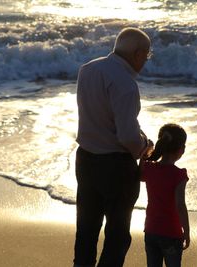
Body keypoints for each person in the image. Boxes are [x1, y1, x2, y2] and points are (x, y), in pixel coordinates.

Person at [74, 27, 153, 267]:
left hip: (86, 158)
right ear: (138, 53)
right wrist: (144, 146)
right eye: (147, 56)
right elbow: (127, 136)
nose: (146, 61)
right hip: (115, 166)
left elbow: (97, 115)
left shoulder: (88, 69)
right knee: (117, 235)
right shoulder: (126, 85)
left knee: (86, 229)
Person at [140, 123, 190, 267]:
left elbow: (139, 173)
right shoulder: (179, 175)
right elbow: (180, 205)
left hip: (151, 230)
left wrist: (145, 152)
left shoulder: (149, 169)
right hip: (171, 233)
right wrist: (186, 231)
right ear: (181, 149)